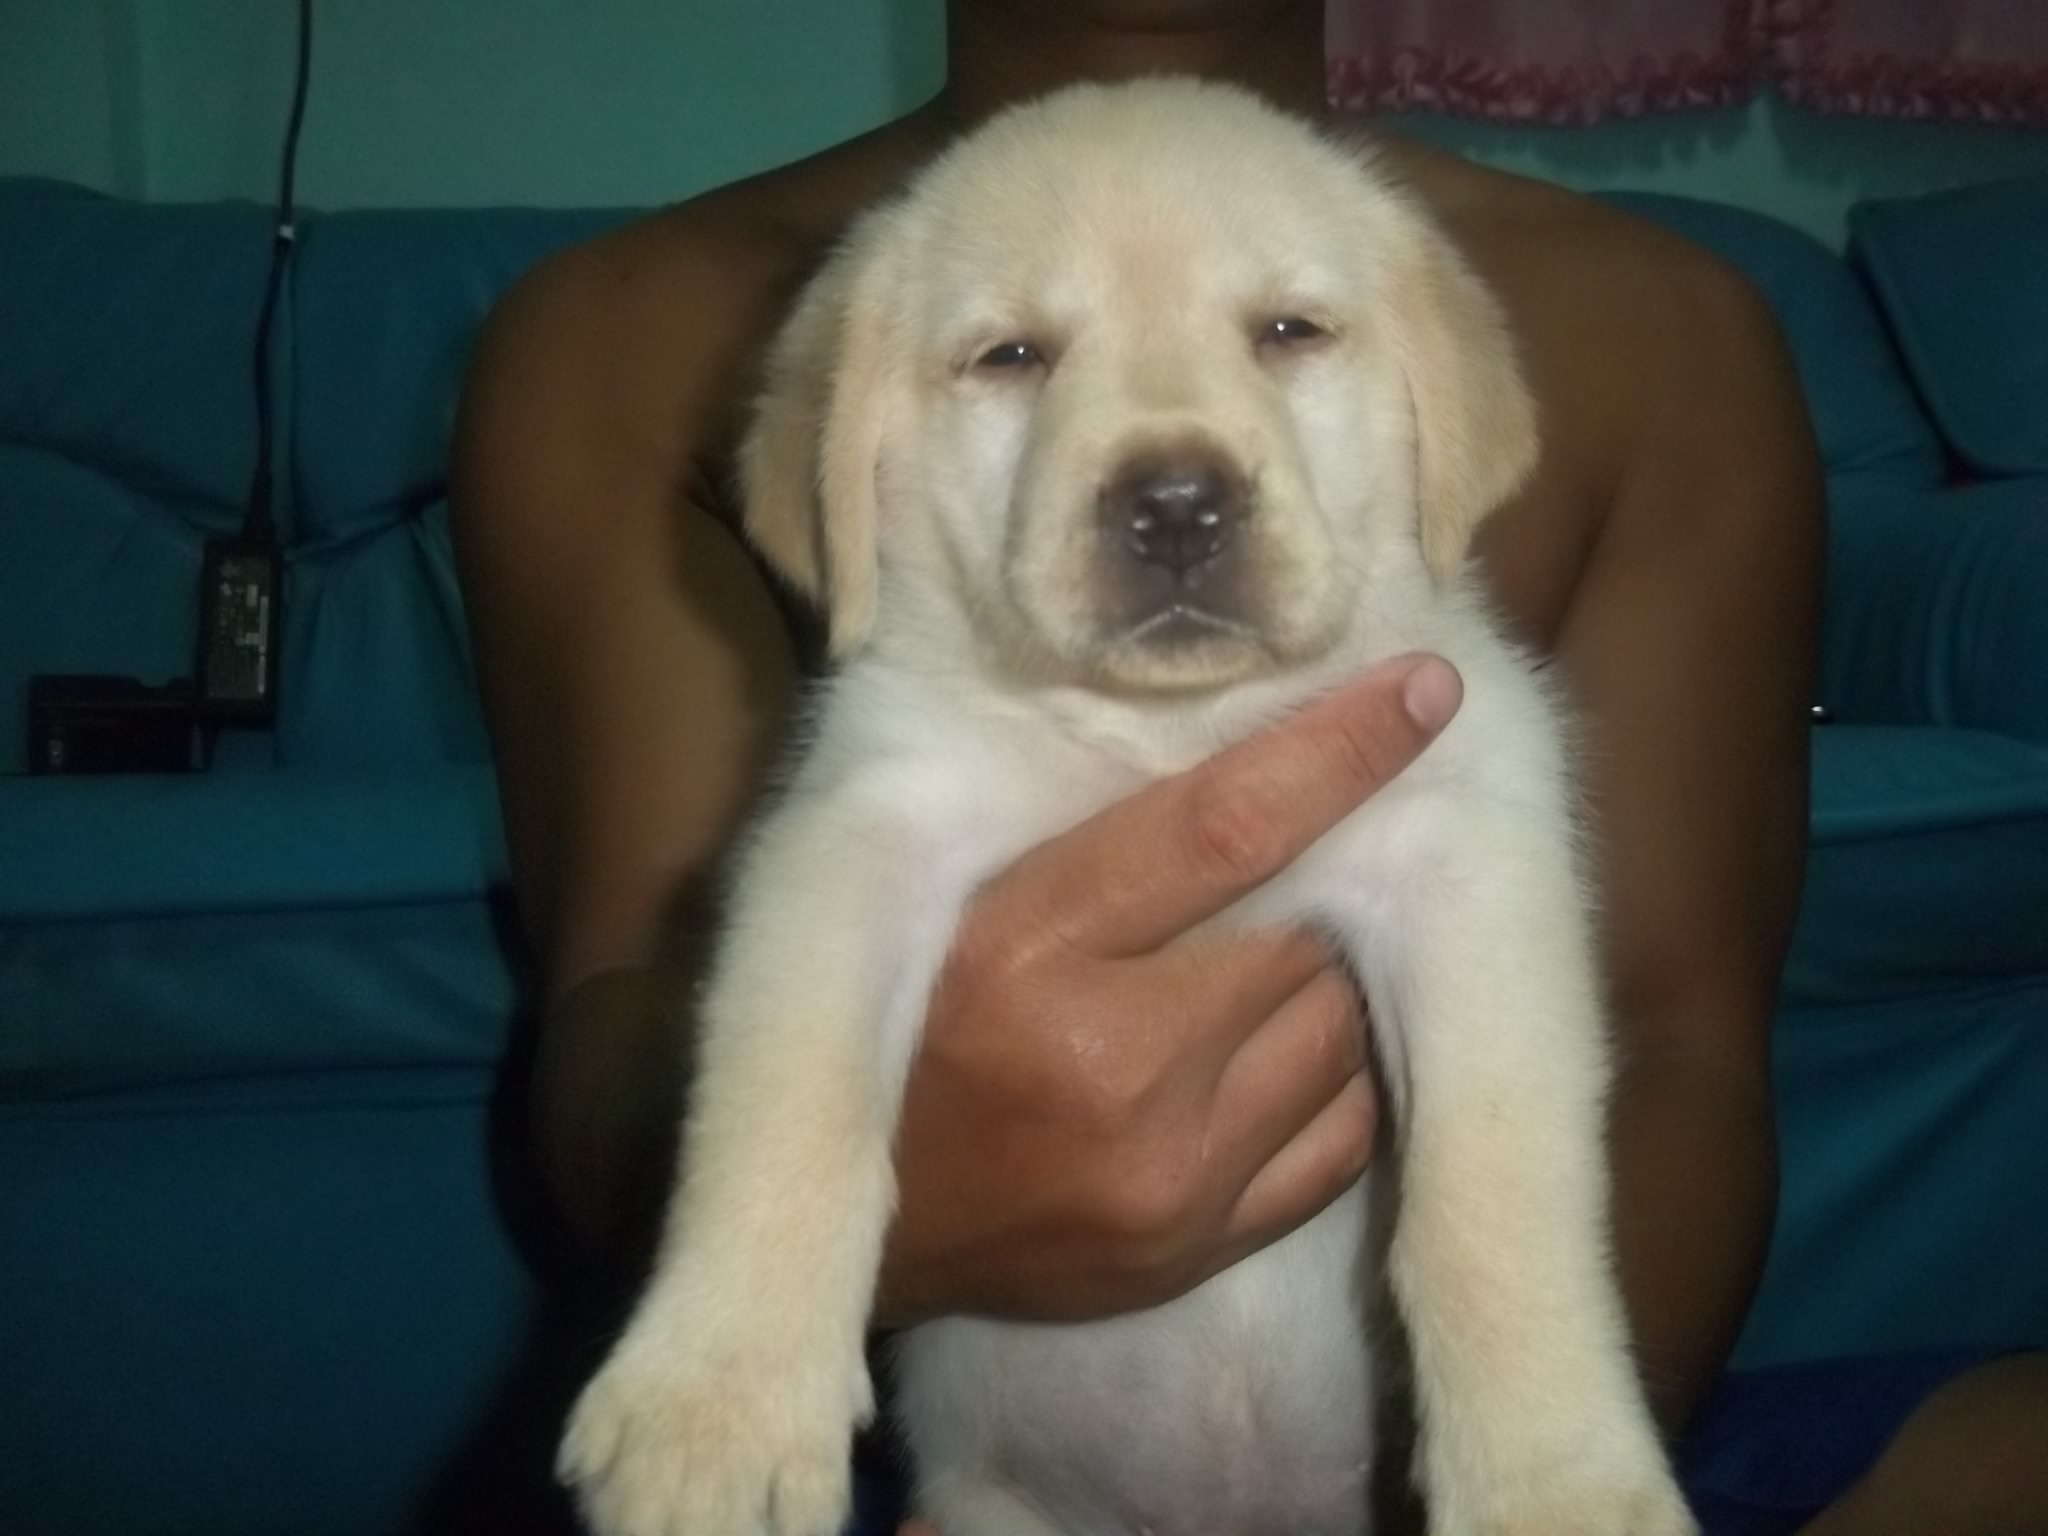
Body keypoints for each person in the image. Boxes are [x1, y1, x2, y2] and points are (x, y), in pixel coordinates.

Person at [446, 3, 2048, 1532]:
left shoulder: (1656, 331)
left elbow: (1676, 1052)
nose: (1173, 479)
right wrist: (807, 1268)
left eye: (1287, 333)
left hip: (1454, 1461)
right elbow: (727, 952)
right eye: (1012, 355)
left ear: (1431, 406)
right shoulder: (643, 336)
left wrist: (1535, 1453)